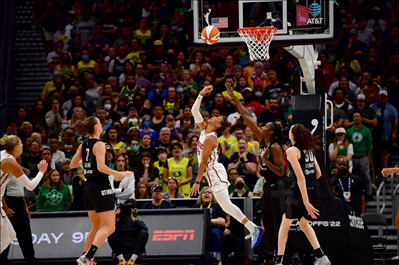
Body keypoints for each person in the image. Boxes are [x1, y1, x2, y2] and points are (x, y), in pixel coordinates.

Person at [226, 83, 300, 264]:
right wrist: (235, 98)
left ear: (272, 131)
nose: (262, 126)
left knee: (280, 223)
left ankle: (294, 257)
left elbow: (281, 170)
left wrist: (265, 161)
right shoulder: (262, 138)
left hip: (281, 186)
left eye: (266, 125)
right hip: (269, 185)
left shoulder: (274, 147)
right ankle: (270, 255)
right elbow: (246, 116)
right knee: (266, 221)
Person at [190, 84, 264, 249]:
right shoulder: (203, 129)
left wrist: (197, 181)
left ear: (218, 126)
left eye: (217, 118)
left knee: (226, 206)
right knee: (226, 205)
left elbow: (203, 162)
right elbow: (194, 111)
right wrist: (201, 94)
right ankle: (254, 228)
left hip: (214, 171)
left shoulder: (210, 138)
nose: (214, 116)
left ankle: (254, 228)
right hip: (211, 172)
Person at [70, 117, 133, 265]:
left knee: (96, 227)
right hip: (100, 186)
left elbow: (73, 163)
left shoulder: (83, 144)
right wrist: (121, 174)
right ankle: (87, 257)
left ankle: (85, 258)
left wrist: (87, 162)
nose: (101, 125)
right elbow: (101, 168)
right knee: (110, 227)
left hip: (88, 187)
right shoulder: (99, 144)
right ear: (97, 127)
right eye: (100, 123)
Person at [275, 124, 330, 265]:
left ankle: (279, 261)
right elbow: (318, 173)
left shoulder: (292, 150)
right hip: (314, 191)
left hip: (298, 194)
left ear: (292, 135)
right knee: (304, 224)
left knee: (284, 225)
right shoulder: (309, 149)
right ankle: (321, 256)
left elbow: (300, 177)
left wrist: (305, 201)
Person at [0, 135, 48, 254]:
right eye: (21, 143)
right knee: (6, 238)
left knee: (9, 236)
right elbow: (30, 186)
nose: (23, 145)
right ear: (16, 147)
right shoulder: (11, 162)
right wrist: (41, 172)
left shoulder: (2, 154)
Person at [192, 187, 227, 265]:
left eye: (209, 192)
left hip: (215, 228)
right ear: (201, 196)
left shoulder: (217, 206)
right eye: (204, 192)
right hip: (199, 229)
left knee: (214, 233)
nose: (207, 193)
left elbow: (222, 221)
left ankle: (218, 259)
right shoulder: (196, 206)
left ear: (213, 196)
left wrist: (208, 221)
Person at [108, 199, 148, 265]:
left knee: (144, 233)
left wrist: (133, 220)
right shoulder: (118, 223)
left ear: (134, 211)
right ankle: (121, 260)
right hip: (121, 246)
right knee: (110, 233)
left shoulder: (138, 222)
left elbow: (145, 230)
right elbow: (111, 230)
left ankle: (132, 260)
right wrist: (116, 218)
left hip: (135, 246)